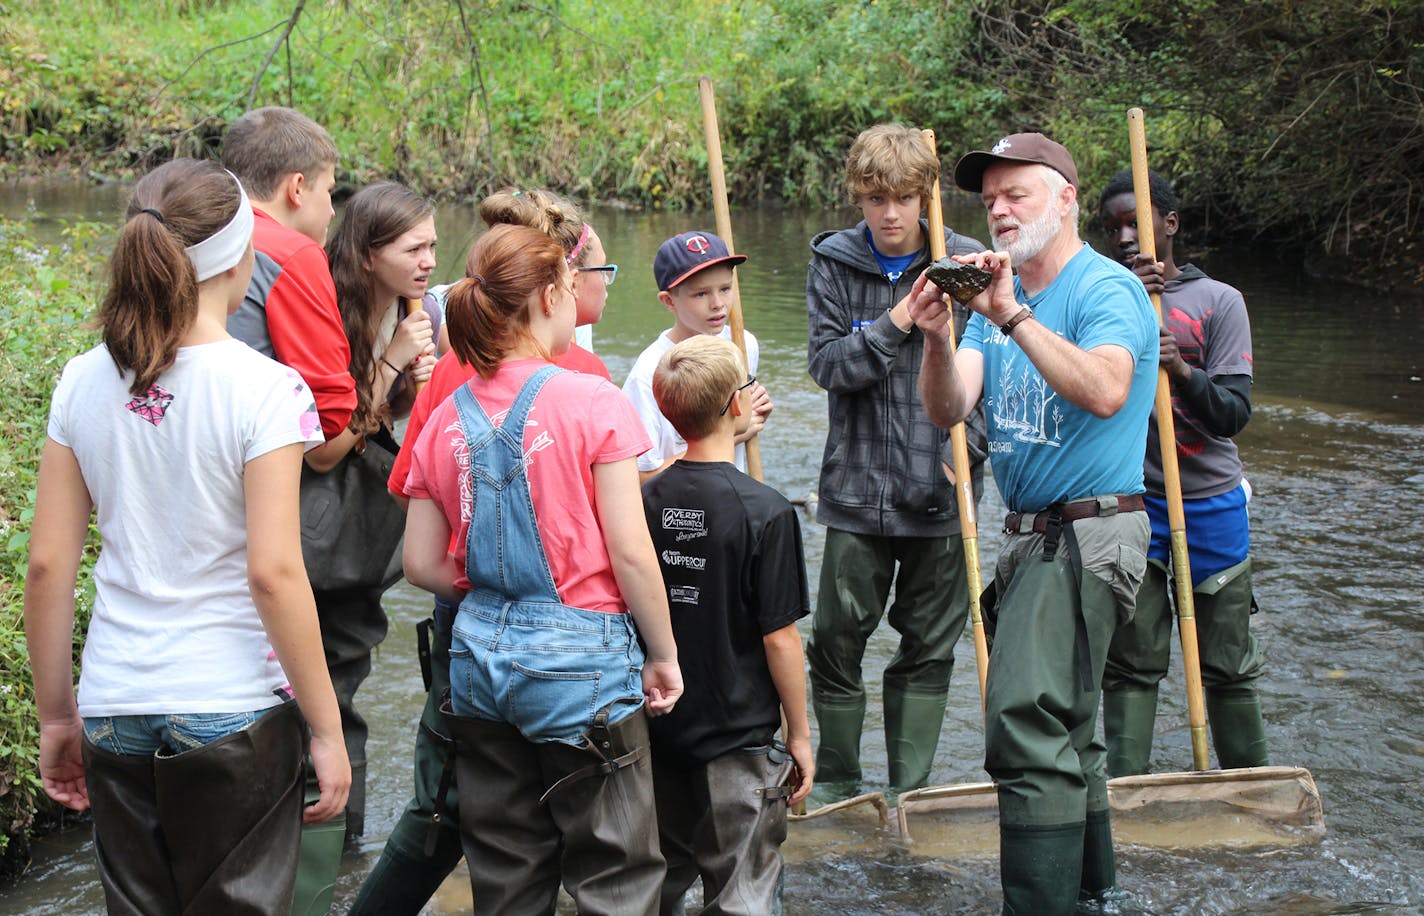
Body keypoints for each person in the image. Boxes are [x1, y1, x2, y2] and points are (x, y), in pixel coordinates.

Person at [23, 158, 350, 914]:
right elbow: (274, 572)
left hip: (115, 702)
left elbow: (48, 566)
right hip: (230, 706)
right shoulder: (266, 388)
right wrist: (326, 730)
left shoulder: (83, 378)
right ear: (239, 257)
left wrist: (58, 717)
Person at [907, 133, 1158, 913]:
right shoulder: (992, 297)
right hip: (1031, 536)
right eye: (991, 201)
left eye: (1018, 194)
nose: (1001, 210)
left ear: (1066, 198)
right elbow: (949, 407)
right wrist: (939, 335)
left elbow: (1108, 390)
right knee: (1069, 732)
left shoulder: (1103, 290)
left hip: (1086, 531)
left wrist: (1012, 314)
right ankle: (1096, 896)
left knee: (1024, 725)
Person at [352, 187, 621, 916]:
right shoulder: (587, 383)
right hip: (574, 636)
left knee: (464, 810)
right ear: (556, 281)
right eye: (598, 269)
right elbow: (617, 534)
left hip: (466, 623)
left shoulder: (453, 365)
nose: (600, 283)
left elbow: (417, 503)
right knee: (603, 841)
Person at [401, 223, 683, 914]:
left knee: (506, 874)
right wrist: (663, 652)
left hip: (477, 664)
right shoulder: (592, 401)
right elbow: (631, 551)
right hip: (580, 665)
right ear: (554, 294)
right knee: (613, 873)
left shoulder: (443, 417)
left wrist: (495, 592)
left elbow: (418, 563)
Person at [803, 123, 988, 802]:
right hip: (853, 490)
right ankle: (840, 783)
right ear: (859, 196)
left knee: (928, 650)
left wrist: (972, 447)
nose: (890, 214)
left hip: (939, 490)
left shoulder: (967, 264)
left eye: (905, 198)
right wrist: (898, 321)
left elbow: (998, 368)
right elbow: (826, 365)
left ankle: (912, 789)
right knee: (834, 644)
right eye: (876, 199)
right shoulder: (833, 262)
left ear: (925, 197)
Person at [1097, 168, 1267, 775]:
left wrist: (1183, 369)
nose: (1124, 238)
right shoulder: (1103, 297)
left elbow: (1233, 414)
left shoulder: (1219, 302)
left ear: (1169, 224)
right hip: (1135, 505)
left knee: (1227, 660)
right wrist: (1126, 303)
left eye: (1135, 223)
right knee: (1134, 659)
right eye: (1112, 227)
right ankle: (1125, 792)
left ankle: (1251, 786)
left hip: (1212, 504)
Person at [640, 335, 815, 914]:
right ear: (738, 406)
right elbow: (780, 639)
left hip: (653, 728)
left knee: (654, 883)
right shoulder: (764, 511)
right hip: (736, 738)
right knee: (743, 891)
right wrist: (799, 735)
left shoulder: (642, 500)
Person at [318, 179, 440, 838]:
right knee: (323, 697)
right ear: (368, 253)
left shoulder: (424, 316)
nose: (427, 262)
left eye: (433, 247)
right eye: (413, 248)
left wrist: (425, 380)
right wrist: (392, 360)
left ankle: (343, 852)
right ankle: (326, 857)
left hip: (374, 535)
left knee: (343, 690)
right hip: (323, 537)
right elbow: (328, 444)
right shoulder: (327, 315)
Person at [622, 230, 772, 480]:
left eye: (725, 288)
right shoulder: (649, 373)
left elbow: (744, 416)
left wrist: (753, 410)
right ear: (669, 301)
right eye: (701, 294)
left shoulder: (742, 344)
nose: (718, 304)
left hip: (731, 497)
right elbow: (638, 476)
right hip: (678, 509)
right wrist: (732, 433)